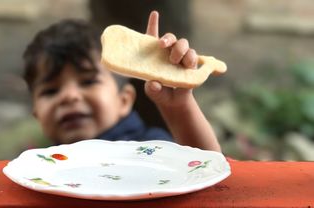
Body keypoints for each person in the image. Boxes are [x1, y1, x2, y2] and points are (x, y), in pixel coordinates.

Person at [22, 11, 221, 152]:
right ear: (36, 113)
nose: (69, 96)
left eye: (88, 82)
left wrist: (180, 107)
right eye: (50, 91)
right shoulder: (40, 166)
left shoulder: (150, 147)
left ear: (124, 100)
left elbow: (205, 167)